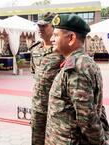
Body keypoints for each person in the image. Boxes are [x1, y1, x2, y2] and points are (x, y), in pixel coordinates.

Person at [45, 14, 108, 144]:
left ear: (71, 38)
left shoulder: (77, 68)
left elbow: (87, 118)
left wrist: (101, 142)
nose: (52, 38)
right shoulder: (81, 62)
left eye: (56, 35)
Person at [30, 12, 64, 145]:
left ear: (54, 27)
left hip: (56, 107)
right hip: (38, 106)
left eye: (44, 26)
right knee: (36, 140)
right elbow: (35, 74)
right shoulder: (35, 50)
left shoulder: (62, 50)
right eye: (38, 25)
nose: (40, 28)